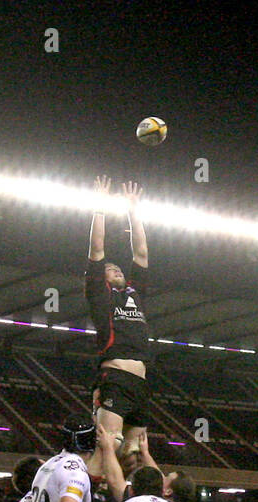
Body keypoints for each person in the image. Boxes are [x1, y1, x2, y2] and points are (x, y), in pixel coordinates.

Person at [85, 175, 150, 461]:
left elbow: (142, 251)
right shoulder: (101, 295)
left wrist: (133, 211)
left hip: (141, 382)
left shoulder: (135, 292)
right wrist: (100, 206)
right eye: (110, 269)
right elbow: (98, 248)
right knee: (107, 448)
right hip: (116, 377)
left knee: (132, 456)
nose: (116, 269)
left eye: (117, 268)